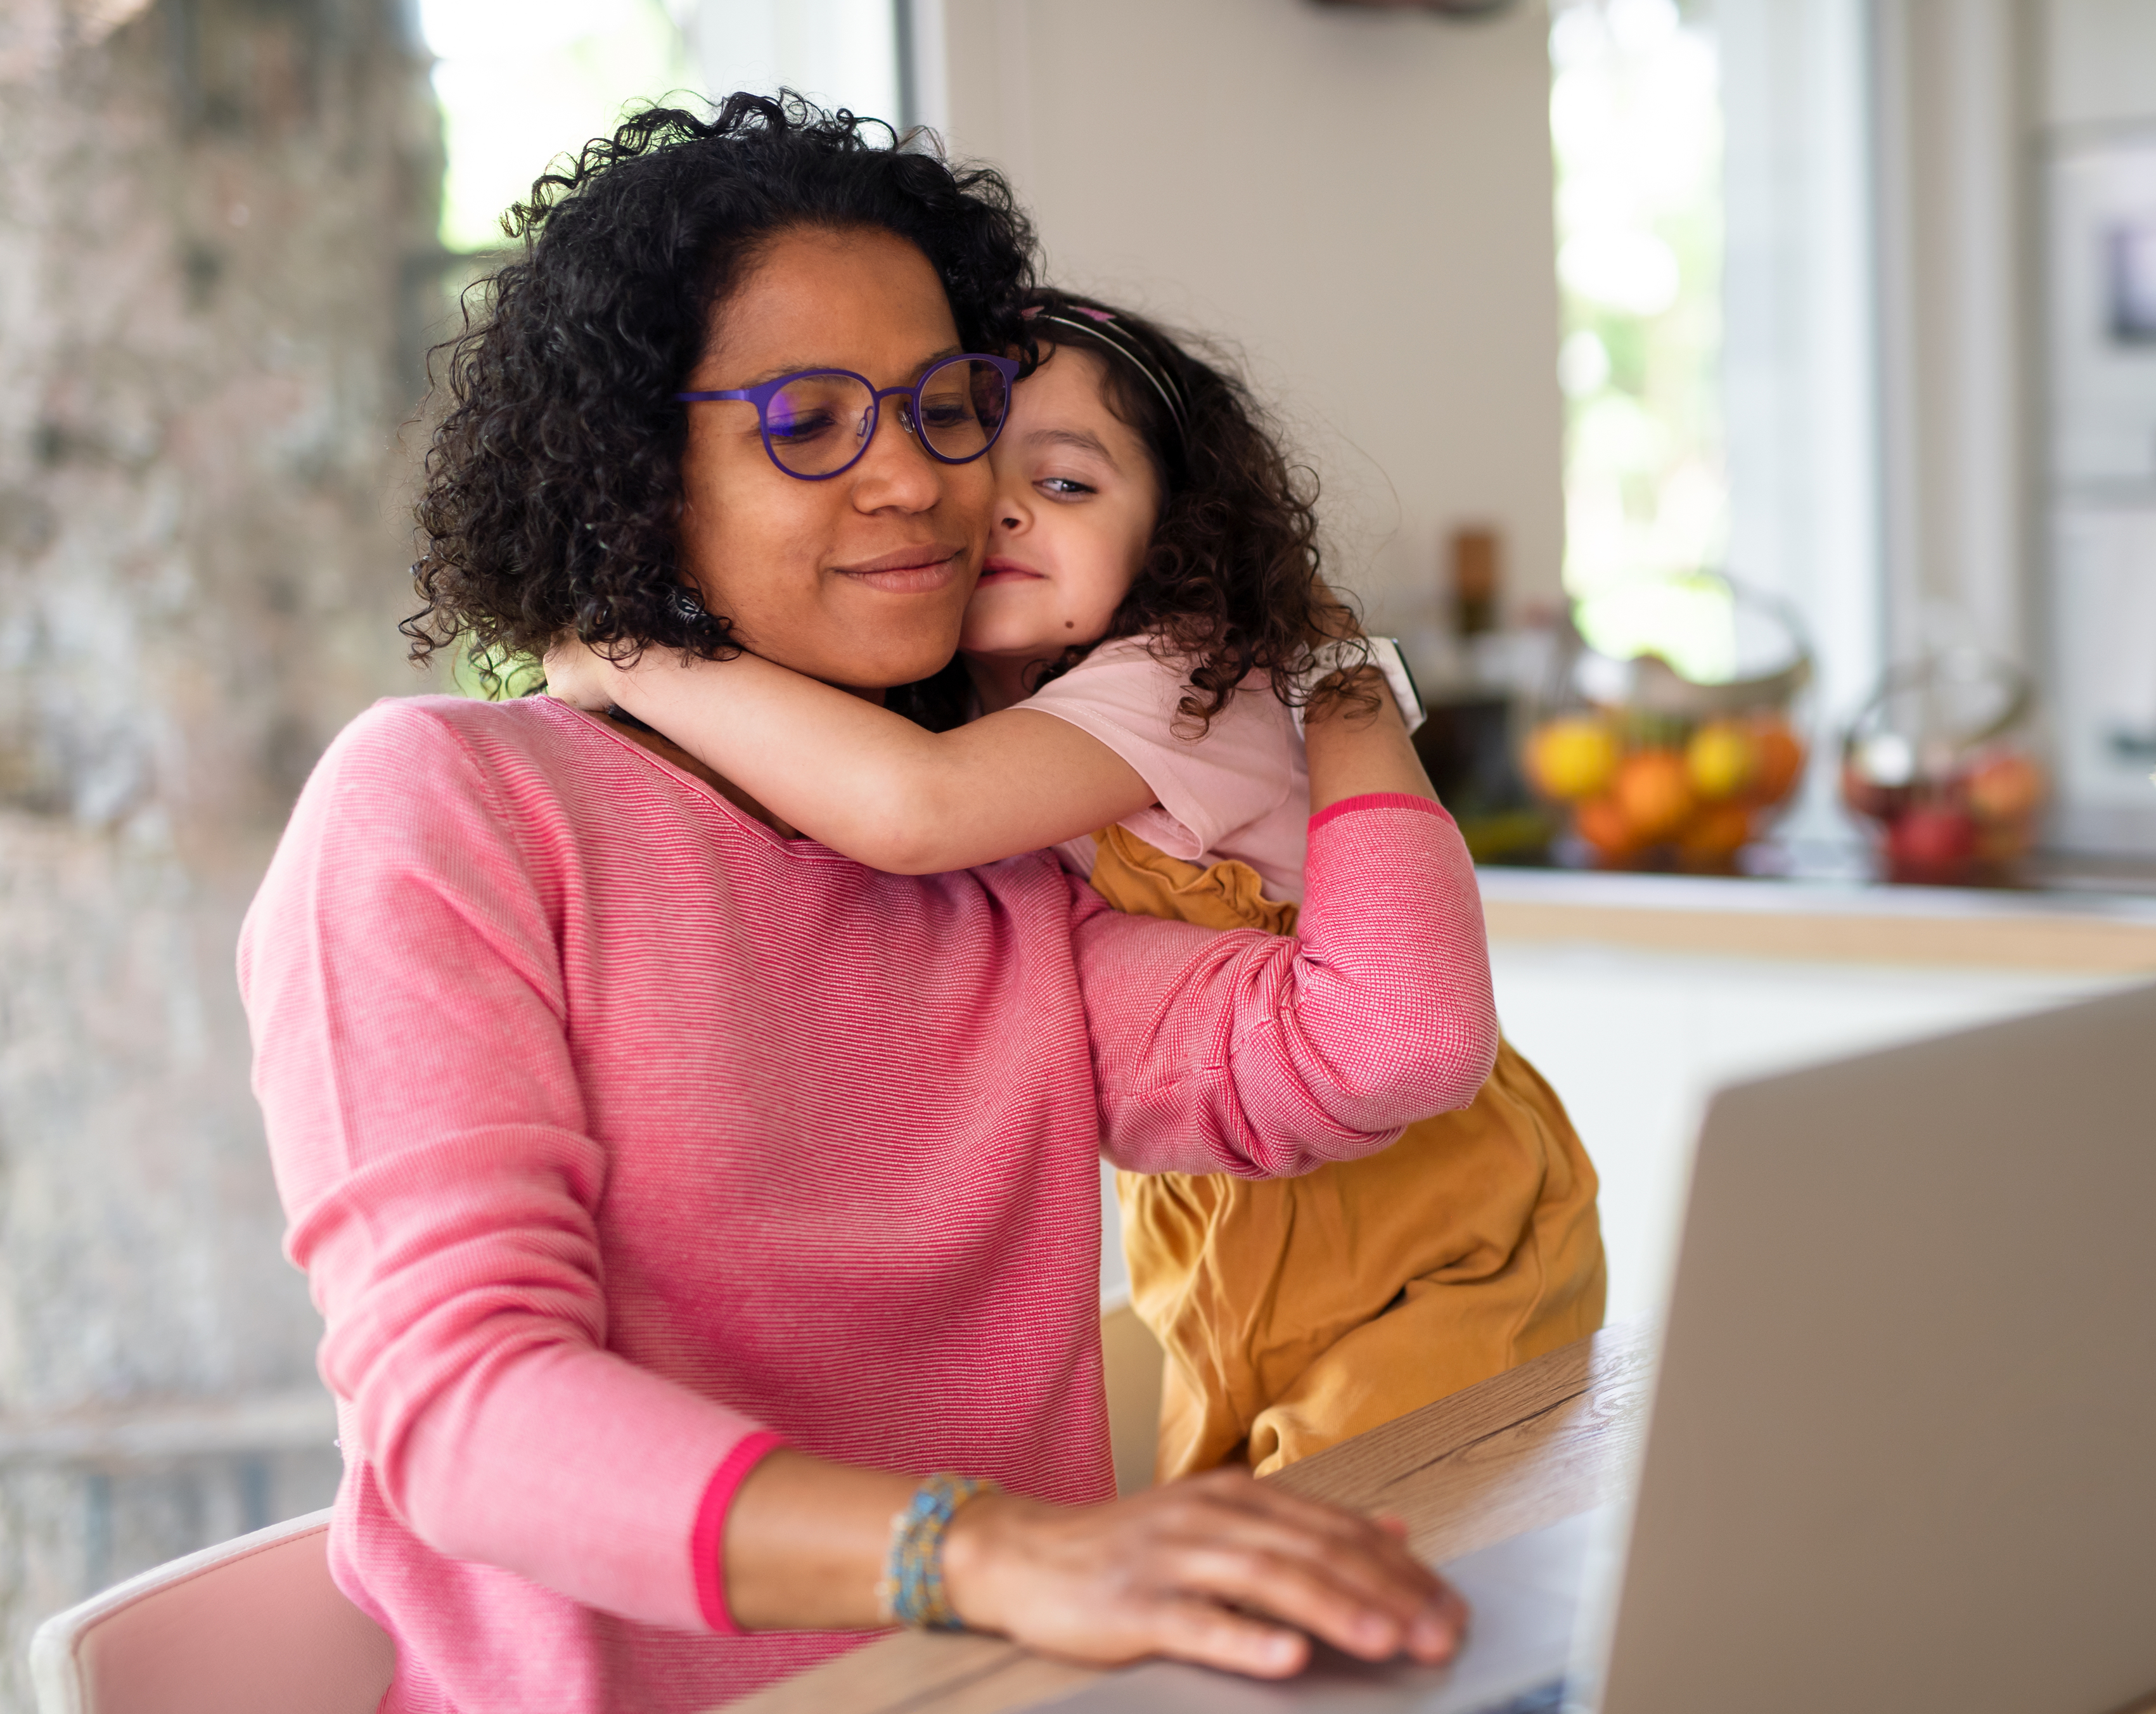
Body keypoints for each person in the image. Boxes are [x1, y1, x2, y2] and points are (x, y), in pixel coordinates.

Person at [240, 94, 1492, 1714]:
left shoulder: (1001, 869)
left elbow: (1386, 1046)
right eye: (808, 420)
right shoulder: (449, 804)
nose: (915, 481)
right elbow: (466, 1416)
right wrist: (986, 1555)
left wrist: (1326, 660)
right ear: (637, 472)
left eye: (943, 408)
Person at [544, 288, 1605, 1483]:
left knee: (1350, 1592)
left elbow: (914, 808)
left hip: (1439, 1233)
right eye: (971, 465)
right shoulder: (1010, 718)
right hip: (1228, 1237)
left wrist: (635, 654)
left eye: (1066, 485)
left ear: (1172, 540)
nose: (998, 506)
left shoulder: (1183, 673)